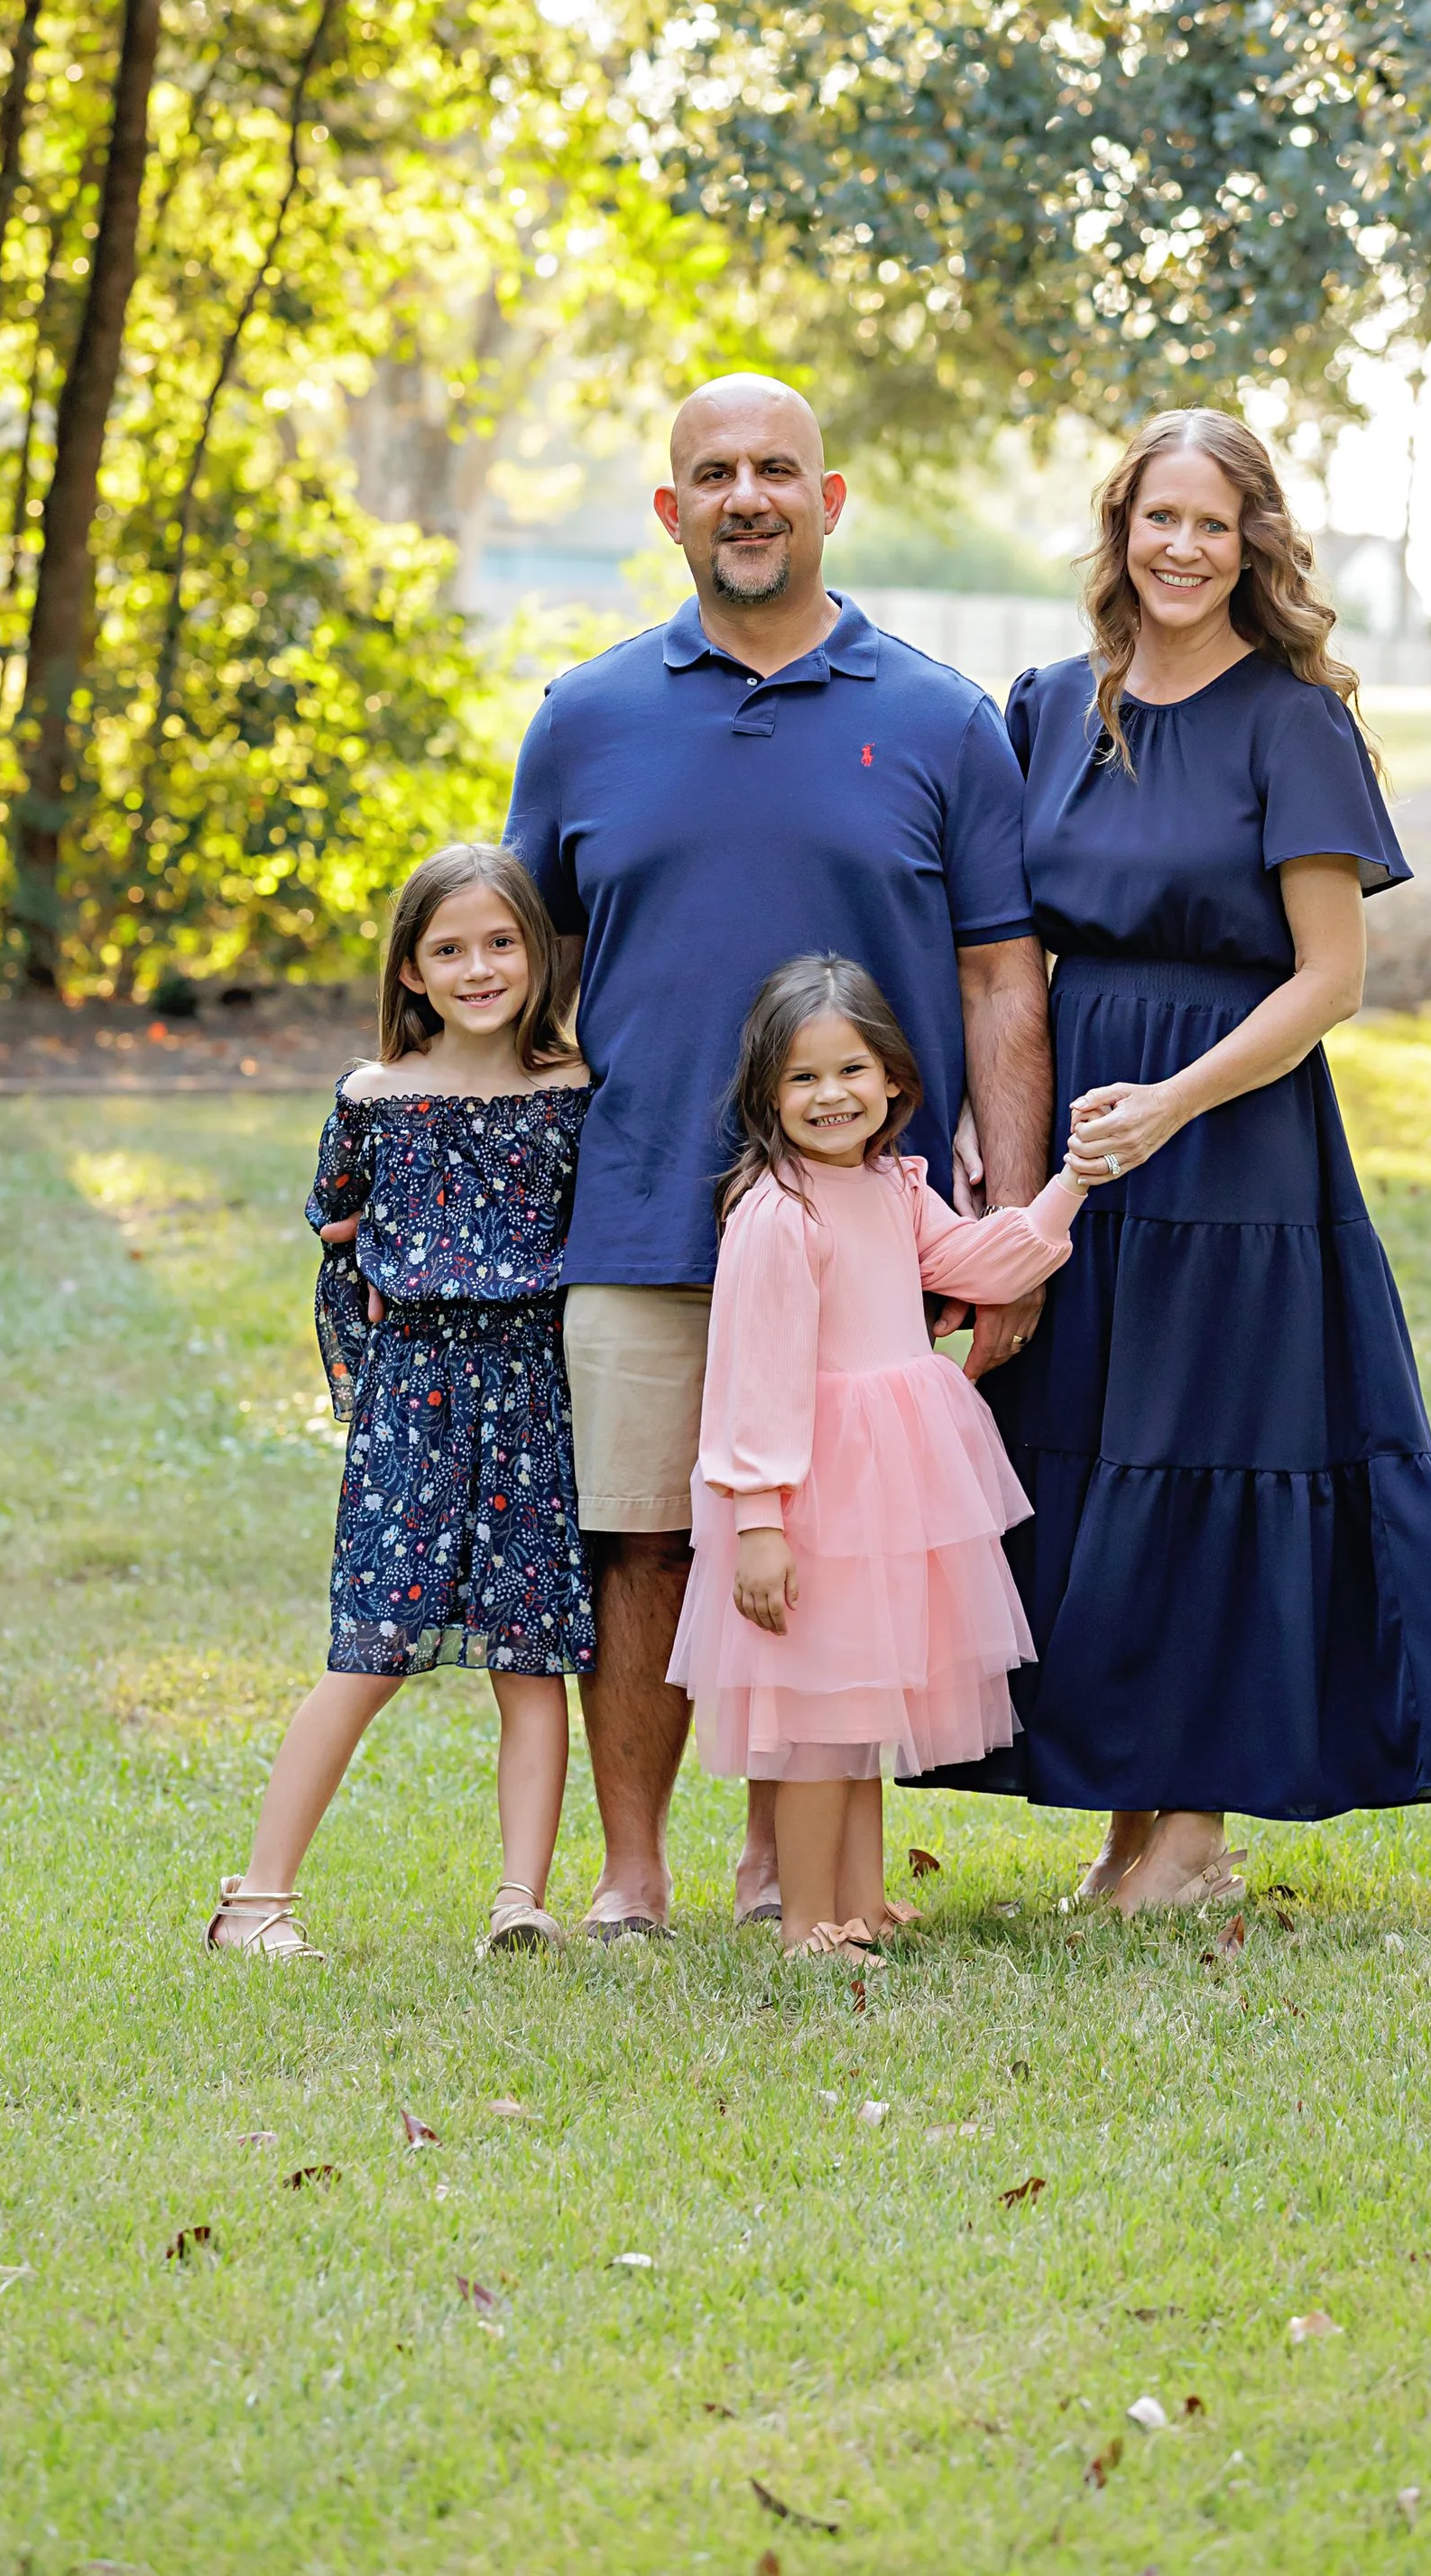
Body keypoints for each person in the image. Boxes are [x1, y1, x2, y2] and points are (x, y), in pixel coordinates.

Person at [504, 374, 1053, 1939]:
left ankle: (781, 1868)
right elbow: (520, 974)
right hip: (636, 1213)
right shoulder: (585, 718)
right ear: (672, 511)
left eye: (779, 470)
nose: (750, 495)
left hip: (865, 1240)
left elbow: (1002, 977)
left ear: (831, 499)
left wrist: (1003, 1218)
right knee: (642, 1546)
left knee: (816, 1551)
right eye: (715, 474)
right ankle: (630, 1875)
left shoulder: (942, 718)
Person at [976, 409, 1431, 1912]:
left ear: (1254, 543)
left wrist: (1173, 1103)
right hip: (1082, 1139)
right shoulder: (1045, 707)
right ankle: (1125, 1819)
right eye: (1160, 518)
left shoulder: (1293, 719)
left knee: (1211, 1455)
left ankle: (1198, 1832)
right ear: (1120, 530)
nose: (1182, 547)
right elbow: (999, 946)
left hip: (1233, 1145)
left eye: (1214, 524)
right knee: (1091, 1452)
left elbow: (1327, 979)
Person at [205, 843, 593, 1962]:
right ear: (412, 971)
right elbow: (334, 1223)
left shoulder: (573, 1090)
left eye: (501, 943)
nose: (479, 967)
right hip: (413, 1404)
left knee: (531, 1658)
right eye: (450, 949)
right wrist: (367, 1320)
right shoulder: (375, 1097)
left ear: (537, 953)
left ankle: (520, 1900)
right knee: (368, 1651)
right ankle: (258, 1902)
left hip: (532, 1399)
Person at [668, 955, 1091, 1952]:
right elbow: (753, 1378)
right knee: (819, 1724)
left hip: (889, 1481)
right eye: (803, 1079)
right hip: (812, 1490)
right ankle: (807, 1919)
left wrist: (1072, 1182)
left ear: (894, 1079)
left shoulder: (895, 1186)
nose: (829, 1096)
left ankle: (857, 1902)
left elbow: (971, 1263)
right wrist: (759, 1520)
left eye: (850, 1071)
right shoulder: (779, 1212)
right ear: (767, 1095)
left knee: (858, 1715)